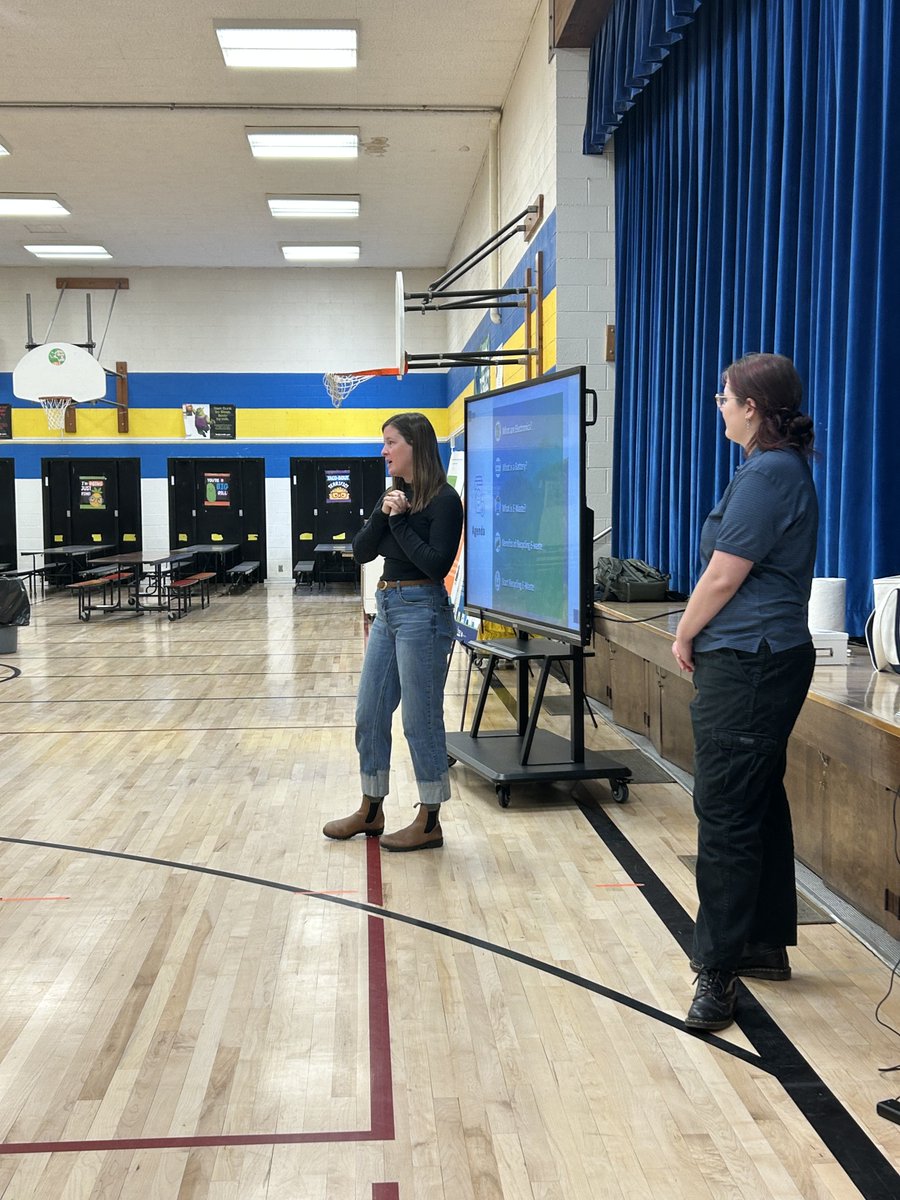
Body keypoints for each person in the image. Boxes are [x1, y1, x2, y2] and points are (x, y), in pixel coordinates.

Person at [671, 353, 818, 1032]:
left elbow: (725, 574)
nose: (718, 404)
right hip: (761, 656)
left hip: (751, 660)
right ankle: (761, 941)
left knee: (727, 810)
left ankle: (717, 972)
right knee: (756, 800)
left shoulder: (768, 473)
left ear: (753, 407)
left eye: (725, 396)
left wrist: (684, 632)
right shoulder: (770, 467)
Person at [323, 412, 464, 851]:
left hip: (423, 611)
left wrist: (400, 522)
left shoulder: (445, 500)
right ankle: (371, 810)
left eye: (390, 442)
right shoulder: (392, 496)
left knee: (420, 720)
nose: (383, 450)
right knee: (369, 712)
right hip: (387, 609)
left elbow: (436, 565)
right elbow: (362, 552)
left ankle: (429, 819)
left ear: (415, 445)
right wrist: (385, 515)